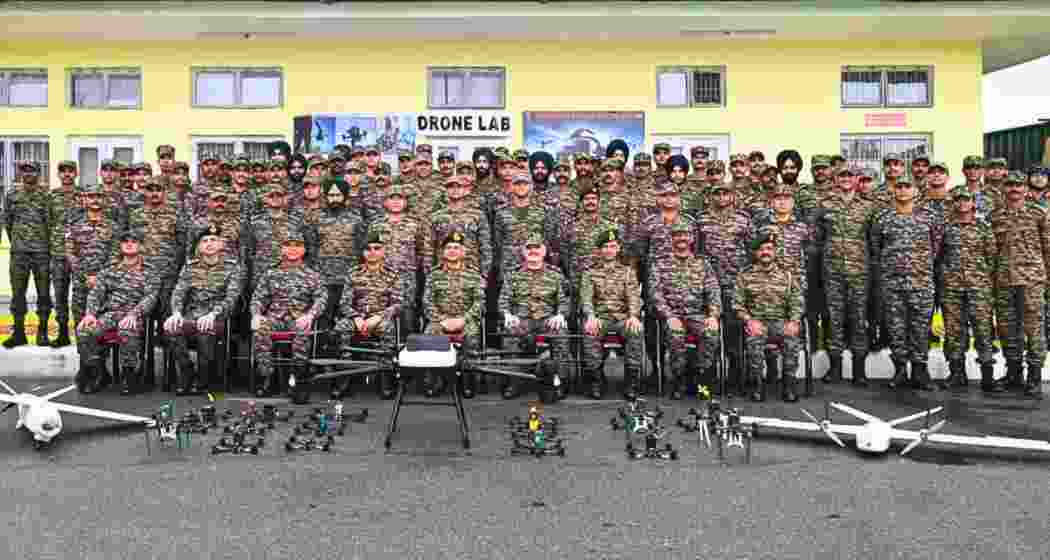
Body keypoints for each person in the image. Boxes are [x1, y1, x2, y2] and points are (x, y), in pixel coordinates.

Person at [870, 178, 942, 391]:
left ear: (916, 190)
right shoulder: (883, 217)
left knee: (920, 328)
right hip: (893, 284)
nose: (902, 191)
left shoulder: (929, 217)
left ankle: (920, 371)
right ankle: (900, 369)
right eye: (898, 187)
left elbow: (936, 247)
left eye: (907, 187)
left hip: (921, 282)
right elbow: (876, 247)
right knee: (896, 328)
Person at [76, 231, 160, 395]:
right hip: (110, 314)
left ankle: (129, 375)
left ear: (140, 246)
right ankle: (97, 372)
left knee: (126, 330)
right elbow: (96, 294)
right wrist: (90, 314)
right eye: (125, 241)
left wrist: (134, 314)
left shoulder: (150, 271)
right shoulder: (109, 270)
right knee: (84, 330)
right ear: (120, 246)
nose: (129, 244)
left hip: (134, 315)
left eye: (134, 241)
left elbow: (151, 297)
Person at [990, 171, 1050, 398]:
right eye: (1010, 185)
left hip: (1032, 280)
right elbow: (991, 250)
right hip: (1004, 280)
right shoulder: (995, 216)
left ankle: (1034, 377)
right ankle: (1013, 373)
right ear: (1004, 189)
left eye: (1018, 185)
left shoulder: (1039, 213)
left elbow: (1048, 248)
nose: (1014, 189)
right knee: (1007, 328)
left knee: (1034, 329)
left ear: (1025, 189)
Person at [165, 223, 243, 395]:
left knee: (204, 331)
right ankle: (186, 370)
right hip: (191, 315)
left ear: (221, 244)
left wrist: (213, 314)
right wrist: (176, 312)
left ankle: (203, 376)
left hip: (218, 318)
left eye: (214, 240)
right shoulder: (190, 267)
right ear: (199, 247)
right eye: (205, 240)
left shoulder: (232, 267)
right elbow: (178, 292)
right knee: (171, 328)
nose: (209, 243)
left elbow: (232, 298)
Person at [249, 230, 327, 398]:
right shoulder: (271, 274)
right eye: (288, 245)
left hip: (299, 318)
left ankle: (298, 380)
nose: (292, 249)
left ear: (304, 250)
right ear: (282, 249)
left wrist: (310, 316)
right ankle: (267, 378)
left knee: (302, 331)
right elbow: (258, 298)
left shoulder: (312, 275)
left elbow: (321, 299)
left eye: (297, 245)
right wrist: (256, 314)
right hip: (274, 318)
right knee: (261, 328)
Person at [649, 222, 722, 399]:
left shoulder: (702, 264)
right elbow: (655, 294)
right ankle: (679, 379)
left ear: (692, 238)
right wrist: (668, 315)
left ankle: (701, 379)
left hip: (696, 315)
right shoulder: (659, 264)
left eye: (685, 234)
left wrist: (713, 315)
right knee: (675, 334)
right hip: (671, 315)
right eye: (677, 235)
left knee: (712, 332)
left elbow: (713, 291)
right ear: (671, 238)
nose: (681, 238)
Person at [940, 186, 1001, 393]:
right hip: (952, 287)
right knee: (954, 332)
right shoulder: (946, 227)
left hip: (979, 288)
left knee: (983, 331)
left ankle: (987, 376)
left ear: (973, 203)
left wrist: (983, 279)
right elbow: (940, 256)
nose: (962, 203)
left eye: (966, 199)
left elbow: (992, 257)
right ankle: (957, 374)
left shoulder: (983, 227)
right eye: (958, 199)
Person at [499, 233, 572, 401]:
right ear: (523, 252)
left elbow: (564, 299)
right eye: (529, 248)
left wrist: (560, 314)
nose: (533, 251)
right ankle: (513, 381)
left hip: (547, 319)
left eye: (537, 247)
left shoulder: (555, 275)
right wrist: (507, 314)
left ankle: (559, 381)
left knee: (561, 332)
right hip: (521, 319)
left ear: (544, 251)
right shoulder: (513, 275)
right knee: (510, 333)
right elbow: (503, 299)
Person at [336, 227, 406, 399]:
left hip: (380, 318)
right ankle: (345, 378)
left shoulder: (393, 275)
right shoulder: (354, 273)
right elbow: (344, 303)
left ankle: (386, 379)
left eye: (377, 248)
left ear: (384, 251)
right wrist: (357, 318)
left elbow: (398, 304)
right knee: (340, 329)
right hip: (357, 318)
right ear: (363, 252)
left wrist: (379, 316)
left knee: (388, 329)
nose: (372, 252)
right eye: (368, 249)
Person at [734, 234, 803, 402]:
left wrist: (794, 321)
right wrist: (749, 320)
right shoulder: (745, 276)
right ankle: (757, 387)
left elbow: (797, 301)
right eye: (761, 249)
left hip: (781, 322)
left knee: (791, 340)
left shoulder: (787, 276)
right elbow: (737, 305)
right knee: (754, 340)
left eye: (769, 249)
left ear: (775, 252)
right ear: (755, 253)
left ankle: (789, 386)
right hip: (757, 322)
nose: (765, 252)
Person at [579, 228, 643, 400]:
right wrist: (590, 317)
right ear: (600, 250)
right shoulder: (590, 273)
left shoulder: (628, 271)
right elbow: (586, 298)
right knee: (589, 331)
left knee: (635, 330)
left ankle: (631, 382)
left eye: (613, 246)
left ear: (618, 249)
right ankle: (597, 380)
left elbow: (634, 297)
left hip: (623, 318)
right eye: (606, 246)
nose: (609, 250)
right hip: (601, 318)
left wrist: (634, 316)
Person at [422, 230, 486, 398]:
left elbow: (480, 302)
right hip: (440, 320)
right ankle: (436, 379)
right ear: (443, 252)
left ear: (464, 252)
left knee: (471, 335)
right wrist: (442, 320)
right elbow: (427, 302)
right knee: (430, 334)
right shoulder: (434, 275)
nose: (452, 250)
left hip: (466, 319)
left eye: (456, 247)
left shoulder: (473, 275)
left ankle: (468, 380)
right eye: (448, 247)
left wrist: (463, 319)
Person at [2, 160, 52, 348]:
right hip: (19, 253)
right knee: (17, 294)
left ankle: (43, 332)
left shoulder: (46, 197)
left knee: (44, 294)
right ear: (20, 173)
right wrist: (18, 241)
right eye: (24, 170)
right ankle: (19, 333)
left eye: (32, 171)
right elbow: (8, 221)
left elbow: (51, 223)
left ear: (38, 173)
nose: (28, 174)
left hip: (42, 253)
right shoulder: (12, 195)